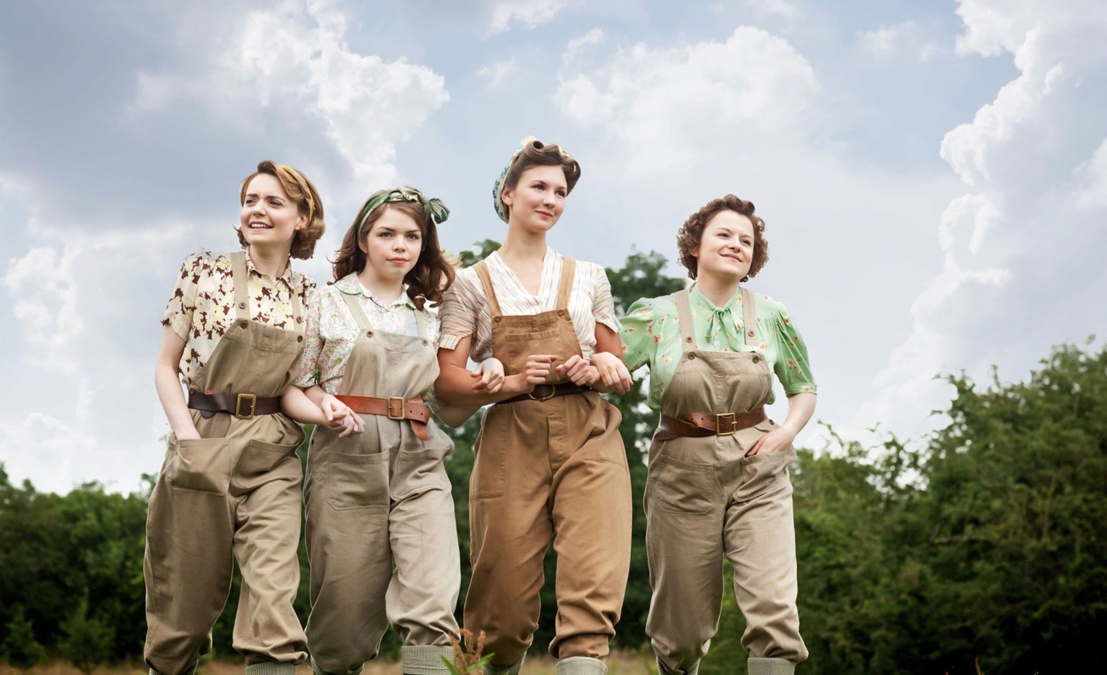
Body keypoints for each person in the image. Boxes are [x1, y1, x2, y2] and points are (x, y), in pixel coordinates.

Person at [435, 137, 634, 675]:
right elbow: (448, 383)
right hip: (510, 438)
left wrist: (596, 368)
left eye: (561, 191)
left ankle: (585, 660)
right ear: (508, 194)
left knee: (593, 586)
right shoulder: (470, 285)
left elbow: (615, 363)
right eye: (539, 187)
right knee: (499, 605)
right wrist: (511, 380)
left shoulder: (589, 277)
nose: (550, 199)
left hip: (590, 430)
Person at [146, 160, 344, 675]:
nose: (258, 210)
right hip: (201, 436)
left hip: (273, 450)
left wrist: (326, 411)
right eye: (251, 200)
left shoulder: (310, 296)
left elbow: (297, 388)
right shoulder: (202, 270)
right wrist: (190, 443)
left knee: (275, 599)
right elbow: (166, 368)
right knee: (183, 611)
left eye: (274, 202)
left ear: (303, 218)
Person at [620, 195, 817, 675]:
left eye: (746, 240)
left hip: (759, 464)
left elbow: (803, 387)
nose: (736, 245)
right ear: (695, 245)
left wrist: (785, 433)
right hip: (681, 471)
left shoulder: (772, 314)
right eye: (724, 235)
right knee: (682, 629)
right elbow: (607, 368)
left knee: (774, 612)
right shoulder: (656, 314)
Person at [283, 186, 461, 675]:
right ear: (363, 239)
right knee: (344, 619)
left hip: (420, 457)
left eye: (411, 236)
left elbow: (447, 386)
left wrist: (486, 371)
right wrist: (325, 408)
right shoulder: (325, 302)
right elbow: (297, 386)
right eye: (386, 234)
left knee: (433, 597)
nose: (399, 245)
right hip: (346, 458)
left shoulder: (431, 314)